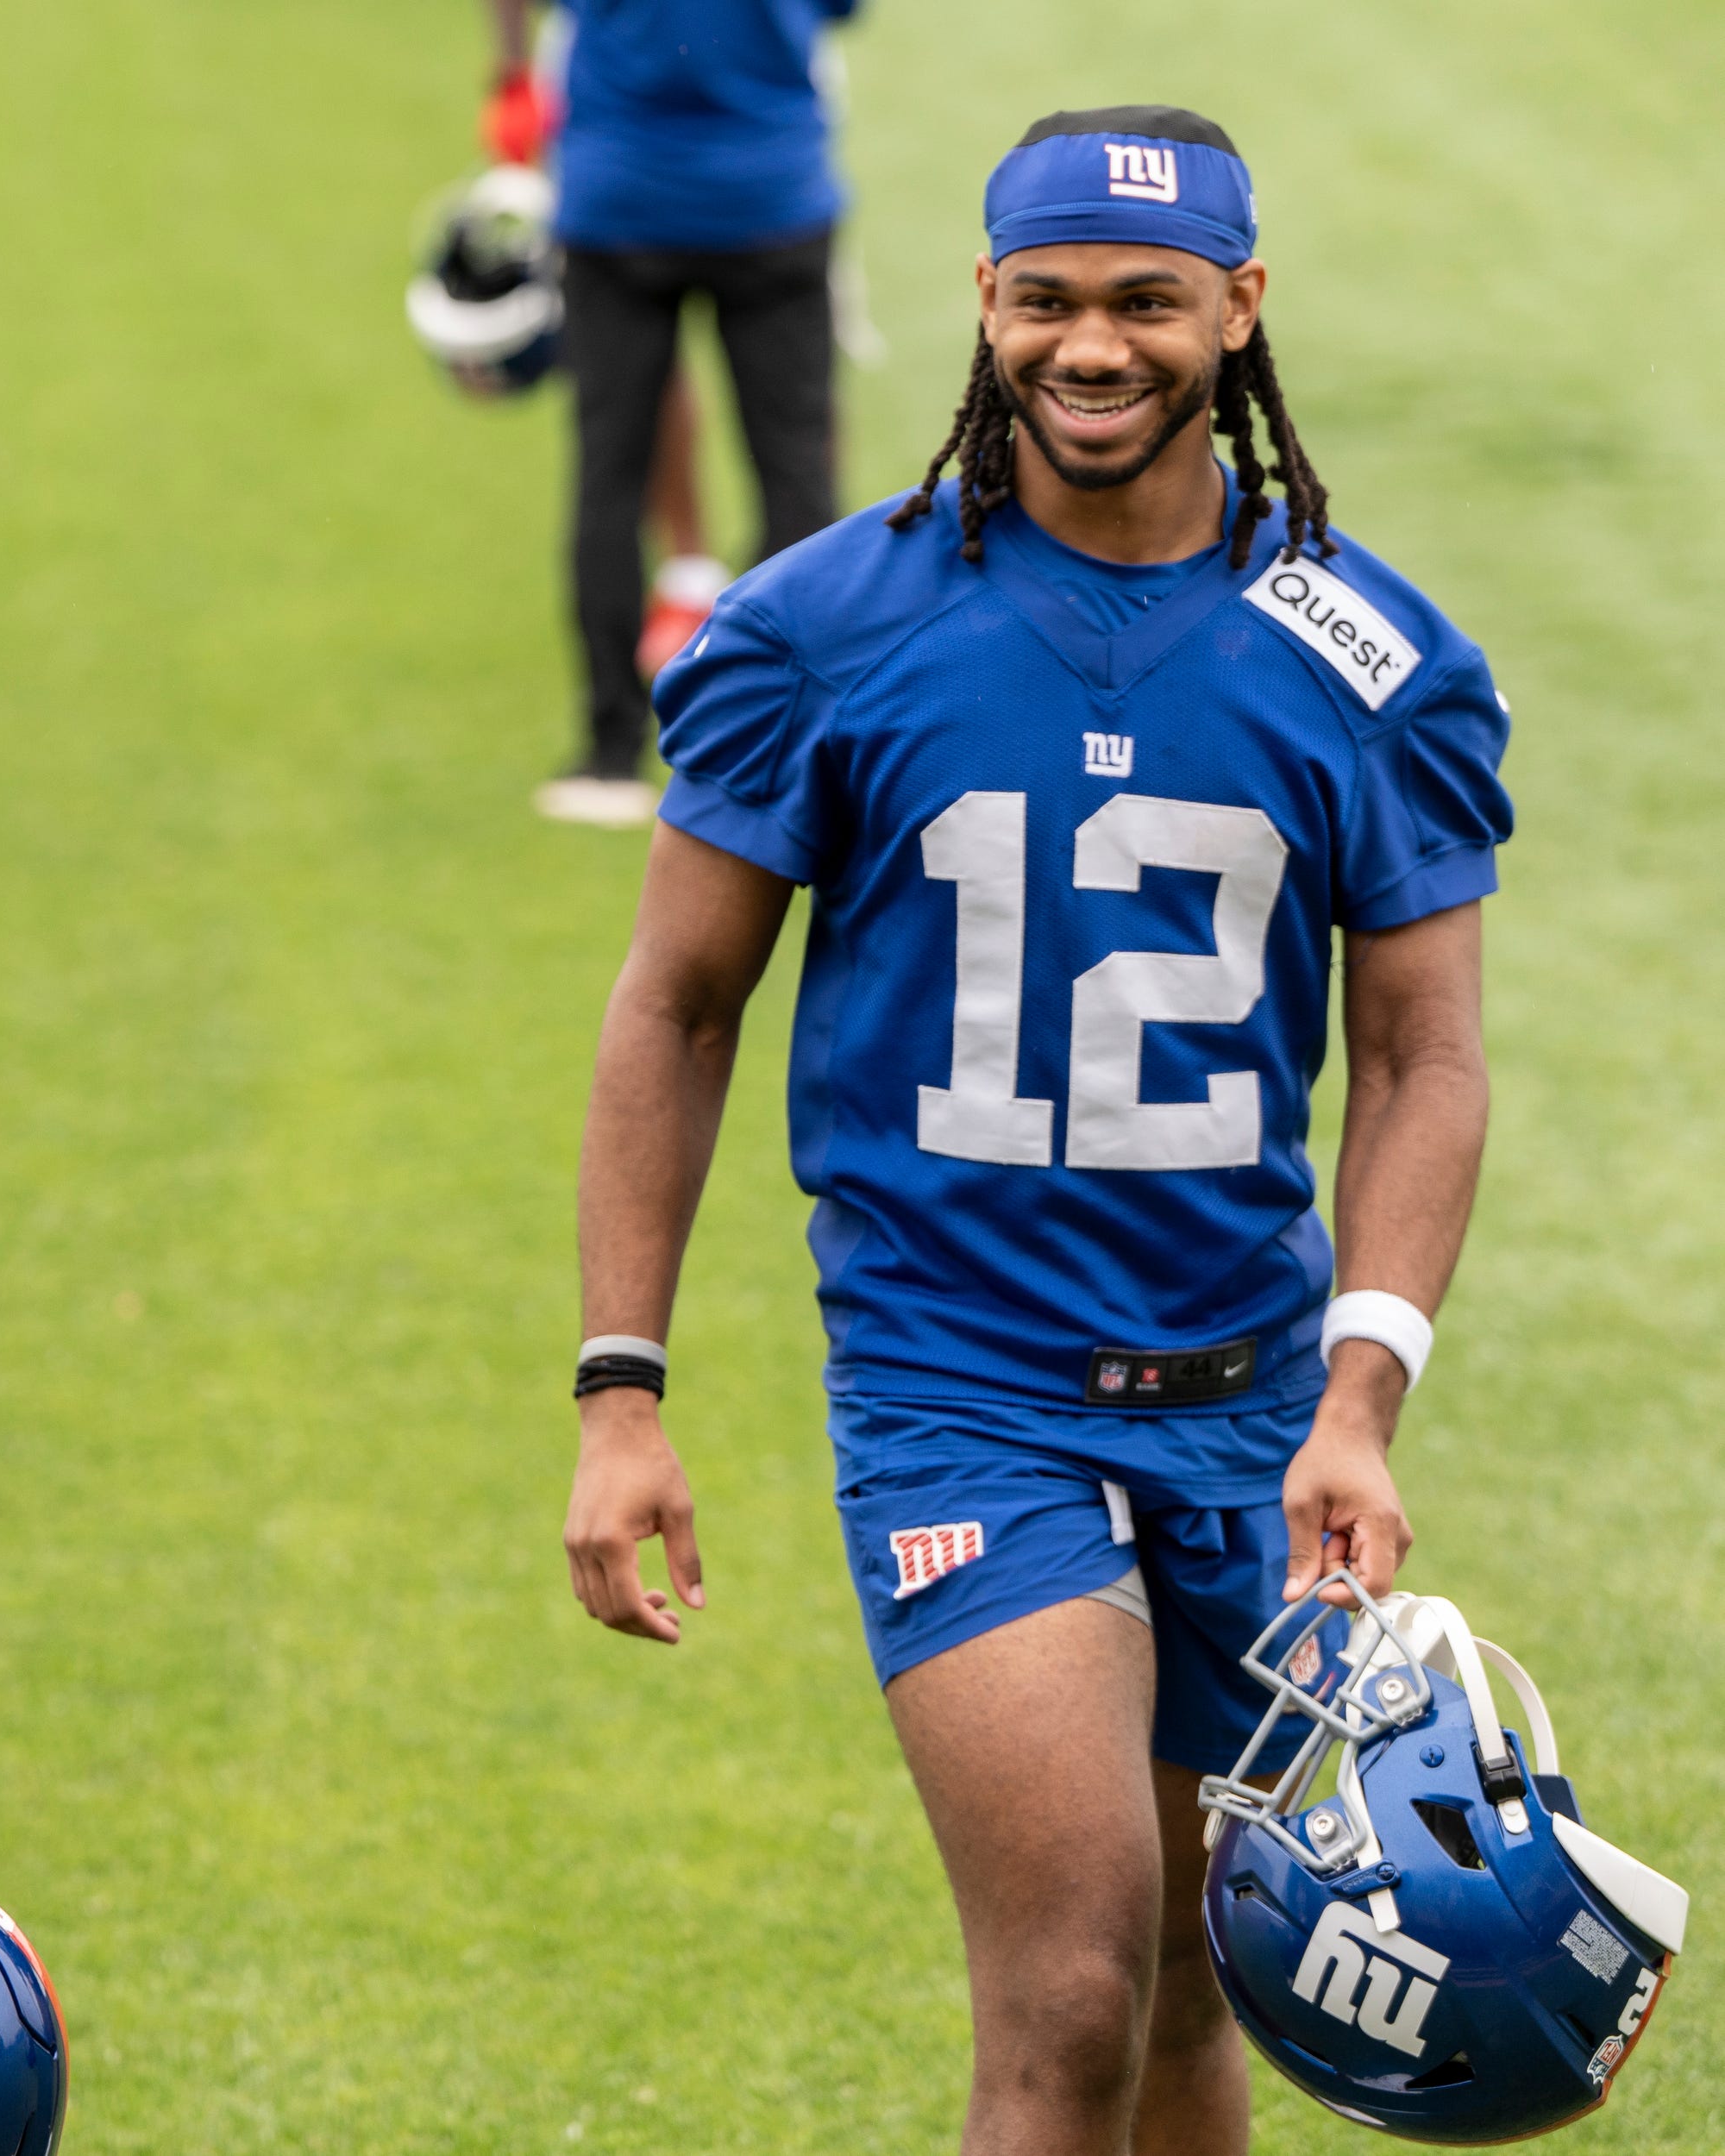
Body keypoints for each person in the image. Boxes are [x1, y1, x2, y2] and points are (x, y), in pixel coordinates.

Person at [561, 109, 1509, 2155]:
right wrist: (619, 1387)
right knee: (1068, 1993)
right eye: (1048, 298)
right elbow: (676, 1003)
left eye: (1147, 301)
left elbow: (1424, 1053)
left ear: (1238, 309)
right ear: (985, 301)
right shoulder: (822, 625)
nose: (1092, 346)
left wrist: (1360, 1397)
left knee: (1193, 1976)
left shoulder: (1368, 657)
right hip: (960, 1392)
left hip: (1248, 1400)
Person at [485, 0, 858, 828]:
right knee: (796, 472)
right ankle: (786, 740)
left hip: (618, 202)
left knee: (609, 473)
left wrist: (510, 76)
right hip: (773, 195)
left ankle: (609, 754)